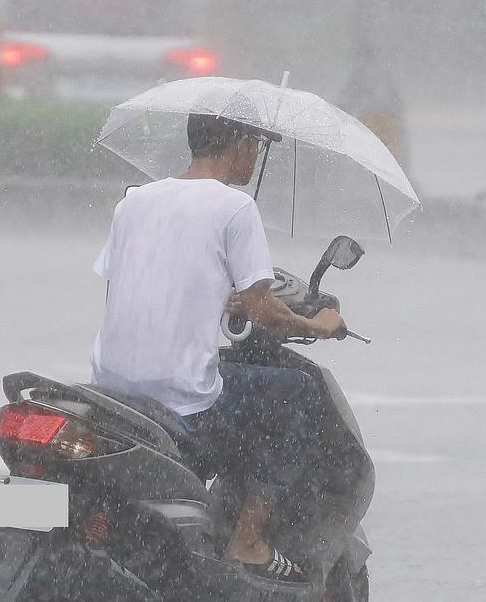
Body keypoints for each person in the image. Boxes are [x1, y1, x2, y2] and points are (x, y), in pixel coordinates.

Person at [91, 111, 346, 582]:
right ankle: (247, 539)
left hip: (111, 388)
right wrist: (317, 322)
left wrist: (212, 296)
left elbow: (123, 289)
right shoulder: (234, 207)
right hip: (181, 396)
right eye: (255, 143)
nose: (256, 153)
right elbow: (265, 314)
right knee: (295, 392)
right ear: (239, 143)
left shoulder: (133, 201)